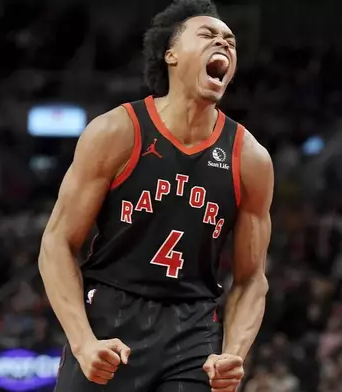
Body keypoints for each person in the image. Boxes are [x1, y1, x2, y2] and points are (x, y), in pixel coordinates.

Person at [38, 0, 273, 390]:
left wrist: (233, 352)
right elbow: (57, 242)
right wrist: (82, 342)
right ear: (172, 54)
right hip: (112, 316)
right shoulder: (117, 131)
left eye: (230, 40)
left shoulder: (249, 158)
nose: (224, 42)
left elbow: (251, 279)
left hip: (193, 327)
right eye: (208, 34)